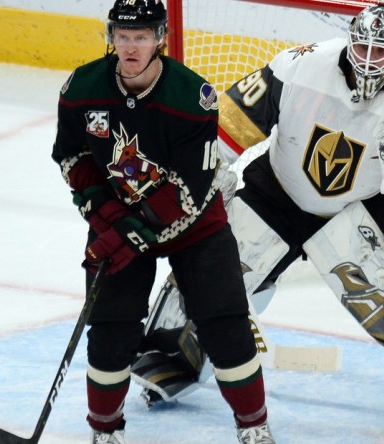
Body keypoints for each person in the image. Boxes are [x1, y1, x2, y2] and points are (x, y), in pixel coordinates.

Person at [132, 2, 384, 424]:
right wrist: (208, 170)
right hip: (278, 188)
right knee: (212, 266)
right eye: (364, 48)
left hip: (361, 202)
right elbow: (230, 120)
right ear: (350, 42)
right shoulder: (300, 66)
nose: (369, 60)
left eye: (381, 52)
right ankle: (171, 355)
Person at [51, 1, 275, 443]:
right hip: (119, 221)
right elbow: (73, 158)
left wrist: (126, 233)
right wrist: (111, 220)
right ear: (111, 36)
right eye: (123, 36)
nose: (131, 47)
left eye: (142, 37)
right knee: (111, 325)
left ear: (160, 39)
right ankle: (105, 430)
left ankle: (254, 427)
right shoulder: (81, 89)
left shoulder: (193, 99)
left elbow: (189, 191)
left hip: (196, 227)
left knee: (224, 322)